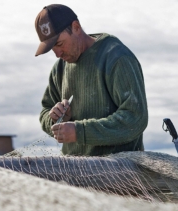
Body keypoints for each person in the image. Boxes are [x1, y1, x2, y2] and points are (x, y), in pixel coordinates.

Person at [34, 4, 148, 156]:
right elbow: (45, 112)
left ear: (76, 27)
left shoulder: (117, 57)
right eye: (51, 49)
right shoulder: (59, 68)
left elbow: (135, 119)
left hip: (120, 173)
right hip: (72, 171)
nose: (57, 54)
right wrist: (55, 120)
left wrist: (79, 132)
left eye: (59, 44)